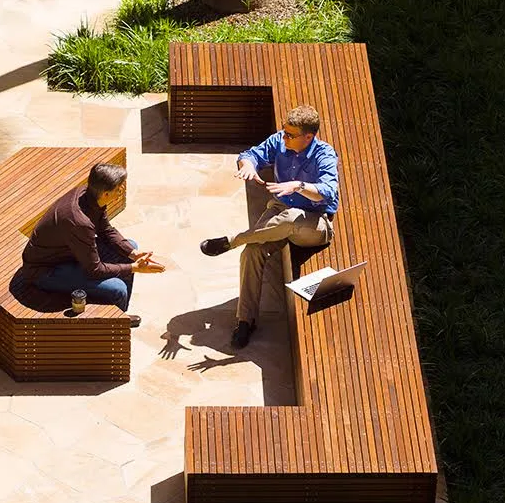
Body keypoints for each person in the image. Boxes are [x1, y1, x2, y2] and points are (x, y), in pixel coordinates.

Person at [199, 105, 340, 349]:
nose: (284, 138)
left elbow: (328, 192)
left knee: (290, 218)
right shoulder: (280, 140)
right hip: (280, 210)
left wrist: (298, 185)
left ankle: (234, 239)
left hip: (314, 222)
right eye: (284, 132)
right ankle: (245, 320)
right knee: (252, 252)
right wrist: (247, 165)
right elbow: (251, 154)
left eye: (290, 135)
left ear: (309, 136)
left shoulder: (324, 155)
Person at [21, 162, 164, 328]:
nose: (122, 191)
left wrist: (133, 254)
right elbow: (95, 270)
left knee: (131, 246)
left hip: (68, 253)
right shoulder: (79, 222)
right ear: (105, 193)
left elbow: (106, 230)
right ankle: (116, 326)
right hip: (45, 271)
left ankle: (119, 315)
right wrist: (134, 267)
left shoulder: (88, 194)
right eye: (119, 188)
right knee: (118, 289)